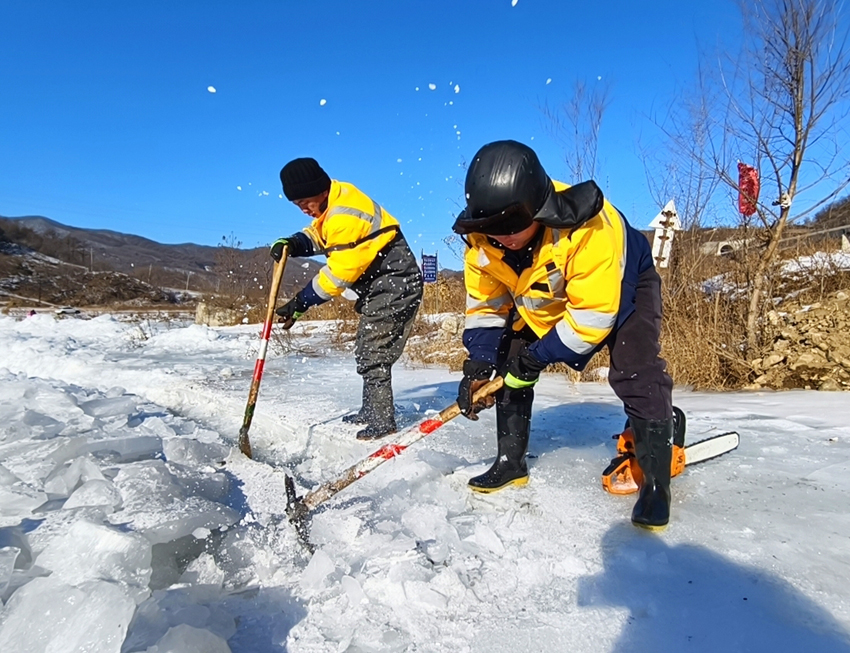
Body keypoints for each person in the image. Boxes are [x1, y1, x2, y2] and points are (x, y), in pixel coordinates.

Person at [453, 140, 676, 531]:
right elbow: (486, 306)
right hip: (542, 299)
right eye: (493, 229)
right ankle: (510, 463)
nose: (503, 237)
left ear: (537, 209)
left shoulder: (590, 229)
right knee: (508, 359)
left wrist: (538, 357)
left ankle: (656, 485)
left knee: (634, 372)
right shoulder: (482, 242)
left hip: (622, 287)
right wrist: (480, 362)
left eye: (512, 226)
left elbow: (592, 317)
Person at [270, 157, 423, 440]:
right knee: (368, 346)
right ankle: (371, 409)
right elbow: (319, 235)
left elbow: (337, 276)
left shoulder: (343, 215)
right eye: (297, 204)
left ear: (320, 190)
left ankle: (382, 419)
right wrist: (293, 243)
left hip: (394, 283)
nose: (303, 208)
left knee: (373, 352)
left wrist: (300, 303)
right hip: (382, 285)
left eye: (305, 201)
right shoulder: (337, 198)